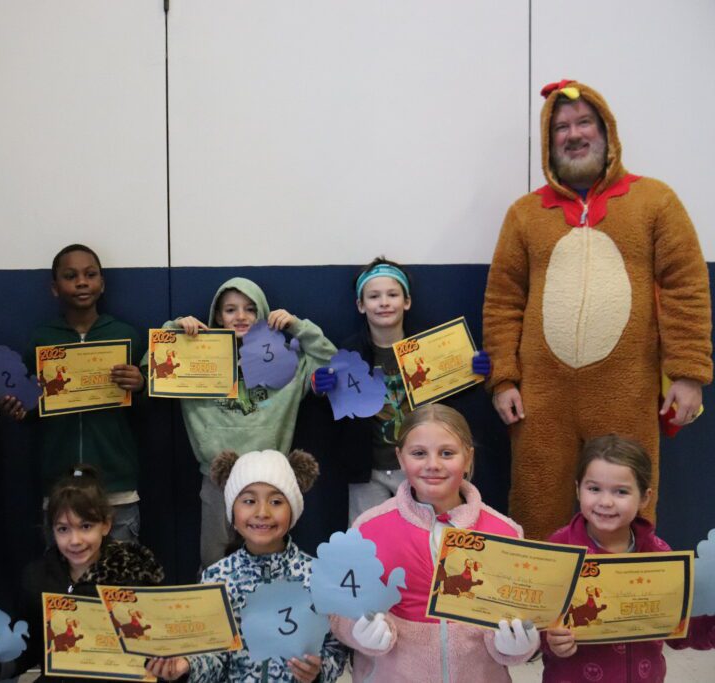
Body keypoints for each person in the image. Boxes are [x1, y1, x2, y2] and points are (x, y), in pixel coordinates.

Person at [482, 79, 712, 541]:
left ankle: (626, 602)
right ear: (550, 144)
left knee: (628, 497)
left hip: (626, 388)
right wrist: (503, 377)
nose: (574, 134)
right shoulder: (525, 214)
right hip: (541, 396)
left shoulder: (654, 202)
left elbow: (686, 287)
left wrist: (688, 374)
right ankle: (538, 606)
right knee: (535, 499)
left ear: (607, 132)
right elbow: (503, 300)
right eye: (561, 127)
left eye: (584, 122)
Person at [330, 404, 538, 681]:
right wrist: (356, 630)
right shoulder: (369, 528)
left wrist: (517, 646)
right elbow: (340, 609)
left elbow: (519, 617)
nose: (433, 464)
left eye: (447, 453)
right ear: (400, 458)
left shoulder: (505, 532)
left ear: (468, 458)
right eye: (418, 453)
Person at [152, 277, 336, 567]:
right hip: (216, 478)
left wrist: (297, 326)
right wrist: (174, 330)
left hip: (269, 478)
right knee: (213, 560)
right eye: (230, 310)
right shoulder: (189, 359)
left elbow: (332, 363)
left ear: (263, 313)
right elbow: (148, 368)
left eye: (250, 309)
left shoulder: (287, 361)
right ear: (216, 317)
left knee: (272, 558)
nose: (240, 316)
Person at [542, 435, 715, 681]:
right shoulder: (557, 549)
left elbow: (679, 631)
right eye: (594, 488)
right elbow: (535, 623)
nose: (605, 502)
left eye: (621, 491)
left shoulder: (659, 554)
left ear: (645, 497)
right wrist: (550, 640)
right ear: (577, 489)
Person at [146, 449, 348, 682]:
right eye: (249, 501)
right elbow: (213, 656)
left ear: (293, 509)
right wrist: (187, 666)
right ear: (233, 509)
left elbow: (337, 646)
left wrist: (318, 672)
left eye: (276, 501)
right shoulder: (217, 577)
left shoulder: (318, 577)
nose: (262, 512)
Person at [2, 244, 146, 541]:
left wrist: (141, 385)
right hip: (60, 483)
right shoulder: (42, 339)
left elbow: (150, 406)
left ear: (102, 283)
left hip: (115, 484)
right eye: (71, 276)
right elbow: (33, 406)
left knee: (120, 581)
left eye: (90, 274)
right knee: (64, 580)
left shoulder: (126, 335)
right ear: (55, 288)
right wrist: (21, 408)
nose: (82, 282)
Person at [336, 257, 490, 523]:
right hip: (368, 469)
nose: (384, 302)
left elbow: (450, 400)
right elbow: (332, 408)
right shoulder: (348, 353)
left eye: (392, 294)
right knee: (364, 538)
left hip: (419, 464)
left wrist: (473, 373)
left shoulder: (431, 347)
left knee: (428, 530)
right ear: (361, 305)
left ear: (406, 301)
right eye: (374, 296)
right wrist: (320, 387)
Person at [13, 464, 164, 681]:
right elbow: (29, 647)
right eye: (63, 529)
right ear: (52, 531)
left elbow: (153, 647)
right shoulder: (37, 578)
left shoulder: (135, 575)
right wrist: (2, 662)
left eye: (85, 527)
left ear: (105, 525)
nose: (75, 541)